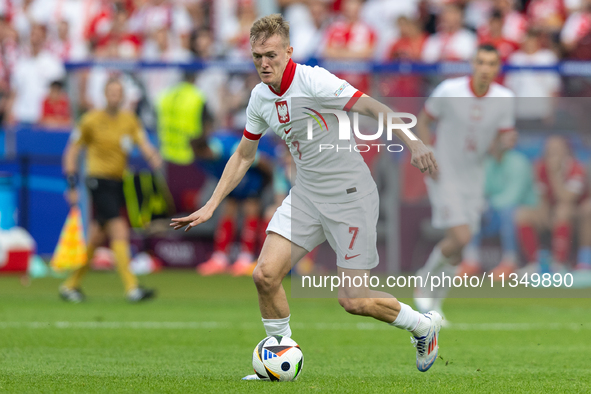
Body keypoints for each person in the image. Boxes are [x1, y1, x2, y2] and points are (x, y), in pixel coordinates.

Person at [172, 14, 442, 377]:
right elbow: (243, 155)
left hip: (350, 197)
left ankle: (423, 326)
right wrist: (211, 204)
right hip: (307, 196)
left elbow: (373, 108)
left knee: (354, 300)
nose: (264, 64)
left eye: (271, 55)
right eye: (257, 57)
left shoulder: (314, 80)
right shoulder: (259, 98)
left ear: (289, 51)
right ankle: (277, 359)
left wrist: (415, 143)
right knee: (265, 275)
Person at [413, 44, 517, 320]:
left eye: (491, 63)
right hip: (443, 172)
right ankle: (423, 282)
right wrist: (426, 152)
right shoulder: (449, 90)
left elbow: (496, 151)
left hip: (475, 178)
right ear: (473, 64)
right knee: (462, 237)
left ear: (497, 68)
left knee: (457, 246)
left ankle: (435, 306)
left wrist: (505, 144)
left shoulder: (505, 99)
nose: (485, 68)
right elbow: (423, 121)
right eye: (481, 62)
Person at [60, 78, 162, 303]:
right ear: (105, 94)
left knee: (97, 237)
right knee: (119, 229)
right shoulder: (91, 120)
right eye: (111, 92)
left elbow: (143, 143)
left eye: (119, 92)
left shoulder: (129, 120)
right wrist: (71, 183)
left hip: (117, 182)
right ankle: (132, 288)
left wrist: (153, 158)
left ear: (123, 96)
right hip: (97, 180)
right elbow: (72, 151)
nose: (115, 96)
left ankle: (70, 285)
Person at [457, 132, 538, 278]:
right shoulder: (487, 163)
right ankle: (471, 260)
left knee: (508, 211)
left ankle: (510, 261)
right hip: (495, 212)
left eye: (492, 141)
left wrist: (487, 204)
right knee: (472, 209)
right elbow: (480, 190)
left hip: (523, 211)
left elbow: (514, 197)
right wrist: (479, 203)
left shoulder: (519, 162)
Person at [515, 136, 590, 273]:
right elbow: (541, 198)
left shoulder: (576, 168)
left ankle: (560, 263)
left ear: (566, 151)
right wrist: (546, 217)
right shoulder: (540, 167)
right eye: (550, 150)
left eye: (557, 150)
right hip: (553, 211)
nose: (553, 154)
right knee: (523, 213)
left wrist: (554, 175)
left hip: (576, 213)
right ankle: (535, 263)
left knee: (563, 210)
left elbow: (567, 199)